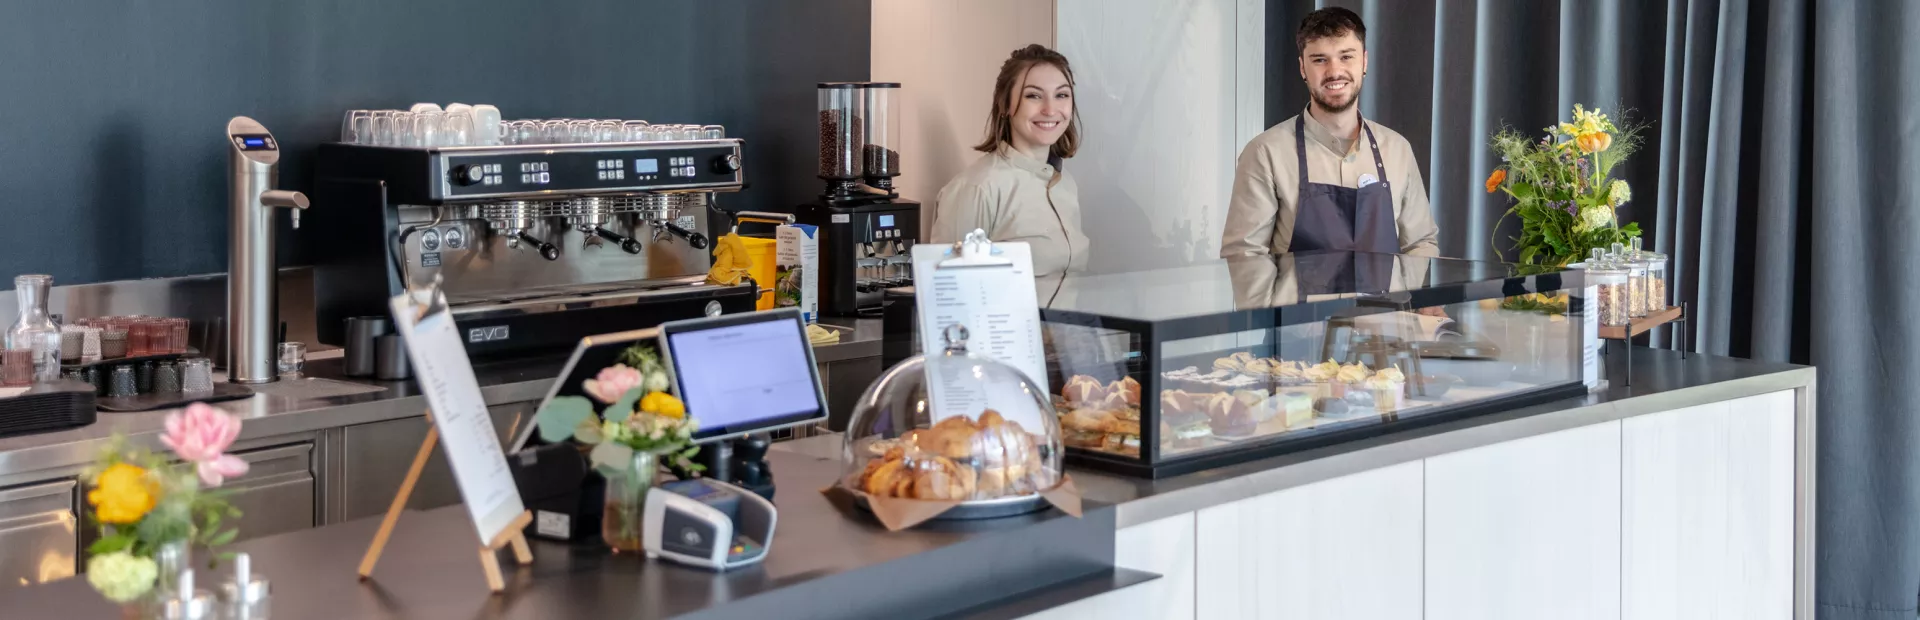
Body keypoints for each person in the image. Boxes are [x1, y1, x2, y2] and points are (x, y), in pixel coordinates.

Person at [1221, 7, 1438, 259]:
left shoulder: (1398, 150)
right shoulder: (1264, 153)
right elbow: (1244, 257)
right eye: (1320, 60)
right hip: (1298, 300)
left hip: (1386, 300)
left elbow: (1420, 244)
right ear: (1303, 68)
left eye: (1346, 57)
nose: (1334, 71)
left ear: (1364, 62)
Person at [931, 44, 1089, 280]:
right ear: (1005, 104)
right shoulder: (977, 188)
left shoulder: (1066, 185)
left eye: (1061, 95)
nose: (1050, 109)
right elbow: (949, 290)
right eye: (1033, 96)